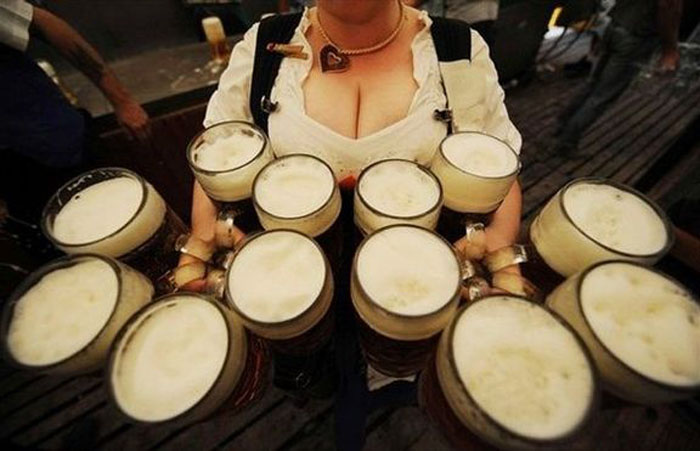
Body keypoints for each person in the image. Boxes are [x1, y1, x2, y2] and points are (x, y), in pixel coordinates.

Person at [186, 1, 521, 449]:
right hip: (293, 277)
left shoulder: (456, 47)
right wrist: (204, 241)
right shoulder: (265, 44)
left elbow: (499, 163)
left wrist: (497, 252)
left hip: (409, 282)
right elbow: (216, 151)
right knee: (322, 372)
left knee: (397, 370)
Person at [0, 0, 150, 222]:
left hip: (51, 138)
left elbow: (42, 22)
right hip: (9, 171)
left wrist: (123, 101)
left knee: (114, 216)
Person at [553, 0, 683, 155]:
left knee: (593, 84)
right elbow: (669, 6)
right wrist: (670, 49)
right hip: (636, 36)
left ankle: (562, 126)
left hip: (615, 26)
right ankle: (567, 142)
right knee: (603, 95)